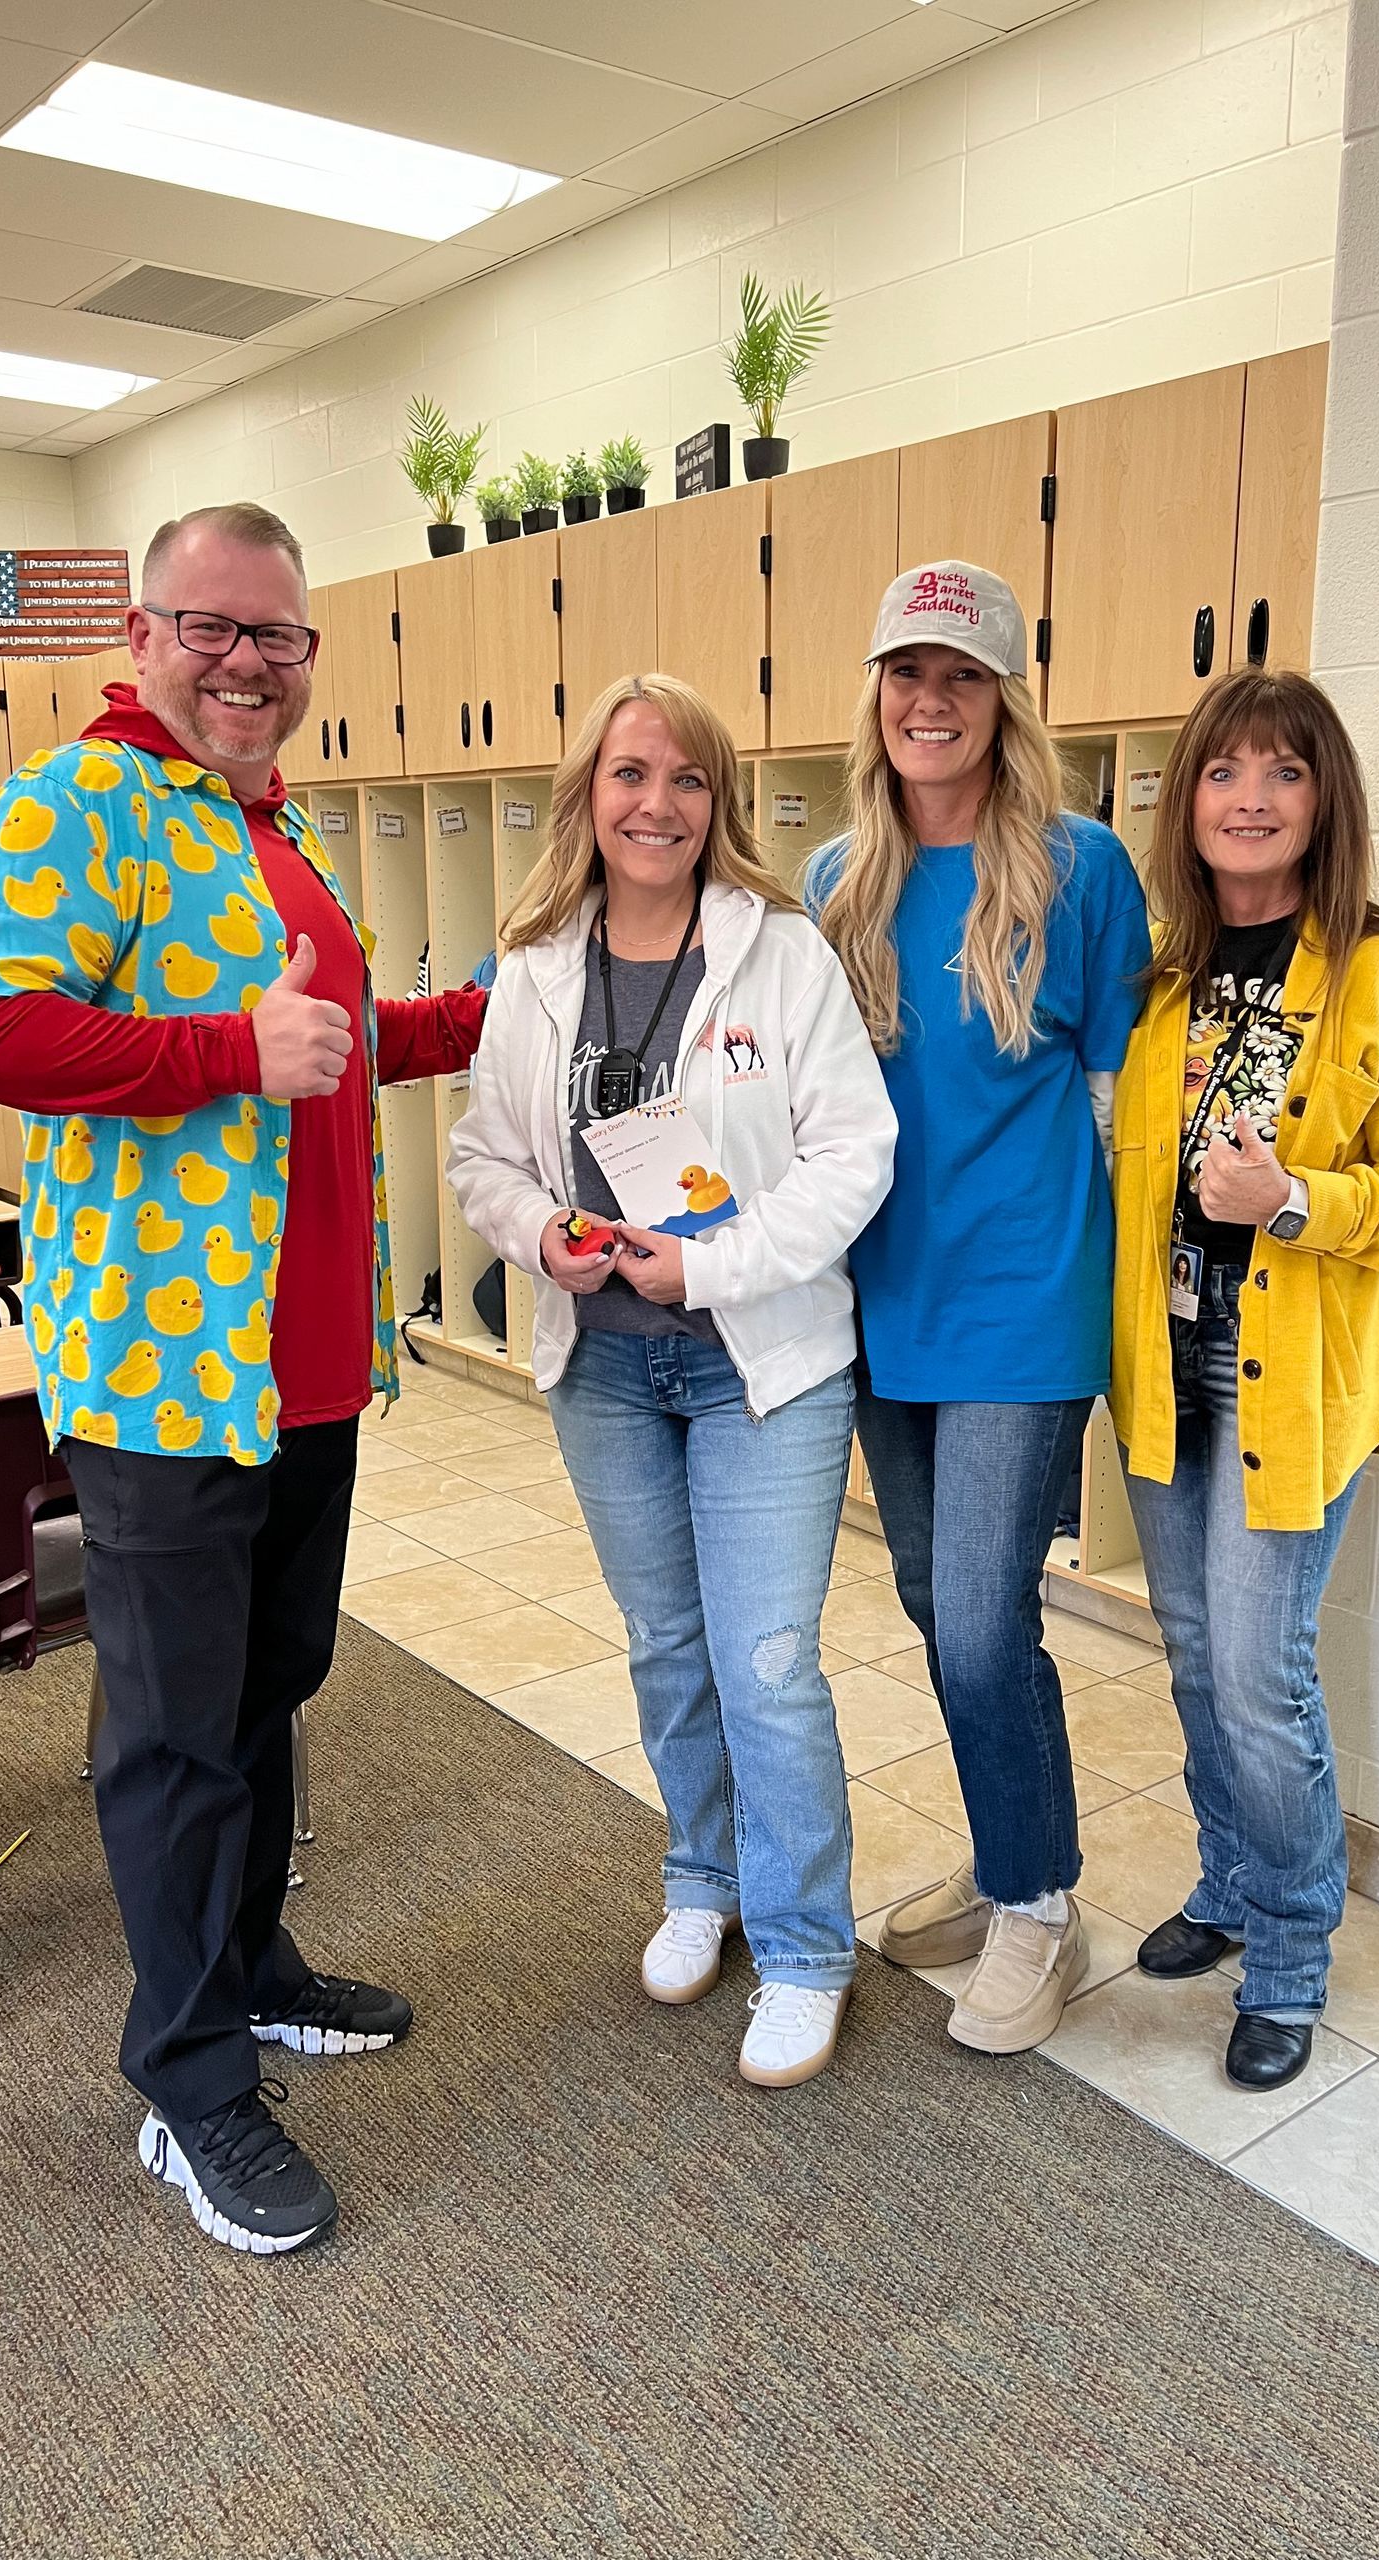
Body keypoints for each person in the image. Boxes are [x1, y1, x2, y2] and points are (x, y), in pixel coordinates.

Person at [0, 501, 487, 2253]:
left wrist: (472, 1018)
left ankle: (250, 1968)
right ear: (147, 635)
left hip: (306, 1363)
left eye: (278, 635)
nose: (247, 660)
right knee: (173, 1736)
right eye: (213, 626)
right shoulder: (77, 805)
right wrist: (224, 1049)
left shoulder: (268, 828)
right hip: (166, 1368)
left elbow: (328, 1048)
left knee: (269, 1681)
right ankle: (188, 2077)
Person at [448, 674, 896, 2089]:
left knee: (768, 1664)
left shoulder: (780, 955)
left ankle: (808, 1942)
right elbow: (483, 1164)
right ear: (591, 792)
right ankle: (702, 1878)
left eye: (689, 780)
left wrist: (701, 1271)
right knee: (666, 1651)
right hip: (606, 1372)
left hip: (760, 1368)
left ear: (721, 804)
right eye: (633, 775)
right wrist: (546, 1239)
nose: (658, 805)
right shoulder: (530, 970)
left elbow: (854, 1156)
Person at [1110, 669, 1379, 2090]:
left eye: (1283, 772)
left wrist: (1297, 1202)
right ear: (1190, 802)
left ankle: (1288, 1950)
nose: (1250, 799)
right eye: (1222, 773)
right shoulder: (1162, 980)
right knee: (1199, 1659)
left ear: (1323, 800)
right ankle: (1226, 1883)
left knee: (1264, 1681)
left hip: (1291, 1378)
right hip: (1165, 1369)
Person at [807, 562, 1151, 2056]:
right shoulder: (837, 882)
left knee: (977, 1620)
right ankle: (1009, 1848)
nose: (928, 703)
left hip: (1024, 1293)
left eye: (960, 677)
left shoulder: (1081, 869)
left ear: (1005, 702)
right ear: (876, 697)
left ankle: (1038, 1905)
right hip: (885, 1300)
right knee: (937, 1605)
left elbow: (1122, 1095)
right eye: (905, 674)